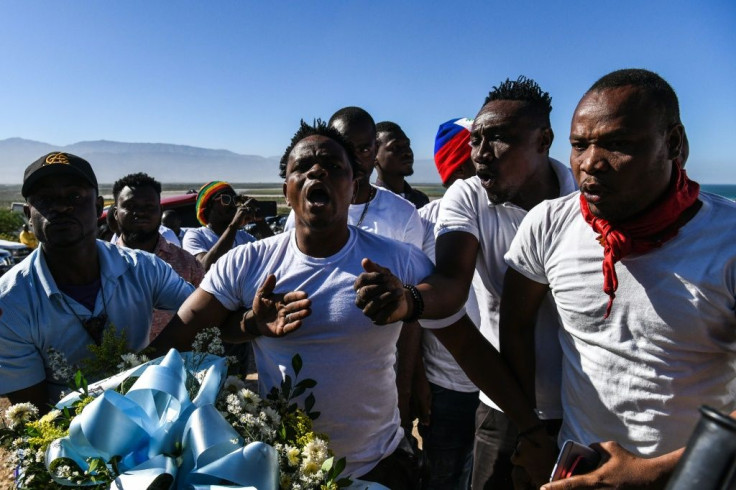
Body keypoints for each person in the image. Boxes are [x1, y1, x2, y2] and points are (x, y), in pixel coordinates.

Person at [150, 120, 462, 488]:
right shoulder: (246, 262)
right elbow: (175, 340)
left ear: (354, 186)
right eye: (303, 167)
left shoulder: (398, 261)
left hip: (377, 465)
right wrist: (251, 324)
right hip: (284, 471)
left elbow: (452, 313)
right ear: (286, 191)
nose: (318, 171)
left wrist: (409, 302)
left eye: (333, 167)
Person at [501, 68, 736, 490]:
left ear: (674, 144)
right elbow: (515, 326)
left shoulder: (727, 242)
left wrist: (651, 473)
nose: (590, 163)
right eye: (579, 145)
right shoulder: (549, 224)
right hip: (578, 473)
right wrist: (531, 431)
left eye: (617, 143)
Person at [356, 77, 578, 489]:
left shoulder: (584, 199)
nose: (480, 155)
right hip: (501, 401)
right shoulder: (469, 197)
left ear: (543, 139)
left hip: (583, 406)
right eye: (475, 140)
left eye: (498, 139)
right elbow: (451, 284)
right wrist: (409, 301)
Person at [0, 152, 195, 408]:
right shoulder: (10, 301)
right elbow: (33, 413)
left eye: (74, 196)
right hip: (68, 439)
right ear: (29, 213)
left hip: (150, 418)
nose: (60, 207)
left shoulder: (144, 268)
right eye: (45, 199)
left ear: (97, 207)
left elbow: (199, 311)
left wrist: (149, 363)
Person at [416, 116, 481, 489]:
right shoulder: (424, 223)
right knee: (444, 477)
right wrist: (416, 381)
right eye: (481, 145)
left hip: (506, 383)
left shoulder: (511, 214)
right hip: (446, 385)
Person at [112, 172, 204, 341]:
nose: (140, 213)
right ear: (116, 213)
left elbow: (204, 315)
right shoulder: (101, 263)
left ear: (160, 211)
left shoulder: (188, 263)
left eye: (149, 207)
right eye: (130, 206)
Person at [181, 181, 258, 271]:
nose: (233, 205)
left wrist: (260, 221)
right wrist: (234, 224)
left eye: (235, 200)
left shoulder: (242, 236)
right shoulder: (196, 235)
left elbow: (273, 255)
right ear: (208, 208)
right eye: (226, 199)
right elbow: (204, 267)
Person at [375, 121, 430, 209]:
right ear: (374, 156)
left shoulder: (421, 200)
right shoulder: (370, 203)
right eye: (395, 147)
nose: (407, 153)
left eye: (407, 145)